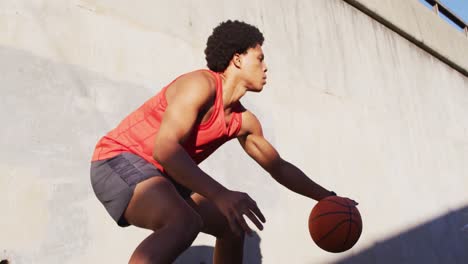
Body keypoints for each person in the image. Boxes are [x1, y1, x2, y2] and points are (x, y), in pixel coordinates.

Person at [90, 20, 356, 264]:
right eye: (260, 58)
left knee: (231, 227)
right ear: (237, 59)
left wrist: (328, 198)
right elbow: (165, 150)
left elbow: (279, 167)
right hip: (118, 159)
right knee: (184, 221)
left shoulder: (243, 121)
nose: (265, 67)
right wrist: (220, 194)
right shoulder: (199, 85)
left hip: (163, 174)